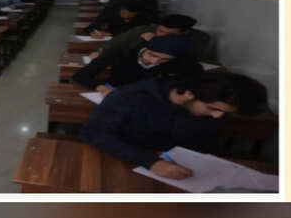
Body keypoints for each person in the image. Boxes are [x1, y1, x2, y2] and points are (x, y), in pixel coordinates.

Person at [80, 71, 268, 179]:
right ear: (189, 94)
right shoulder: (131, 97)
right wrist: (151, 162)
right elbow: (94, 133)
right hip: (121, 161)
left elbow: (202, 143)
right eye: (213, 109)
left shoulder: (212, 107)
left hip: (177, 169)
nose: (218, 116)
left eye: (225, 113)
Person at [73, 35, 203, 97]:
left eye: (164, 60)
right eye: (151, 55)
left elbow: (194, 82)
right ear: (146, 48)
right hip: (112, 92)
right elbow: (81, 75)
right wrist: (99, 86)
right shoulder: (122, 53)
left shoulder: (182, 63)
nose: (154, 61)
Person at [87, 14, 208, 61]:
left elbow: (193, 59)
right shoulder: (144, 30)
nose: (162, 35)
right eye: (160, 31)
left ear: (185, 32)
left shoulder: (198, 39)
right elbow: (116, 43)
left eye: (169, 34)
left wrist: (154, 43)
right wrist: (100, 51)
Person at [82, 0, 153, 38]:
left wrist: (110, 33)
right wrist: (92, 32)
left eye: (130, 16)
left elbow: (136, 34)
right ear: (119, 9)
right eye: (124, 13)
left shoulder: (141, 18)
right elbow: (89, 28)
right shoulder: (109, 12)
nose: (126, 17)